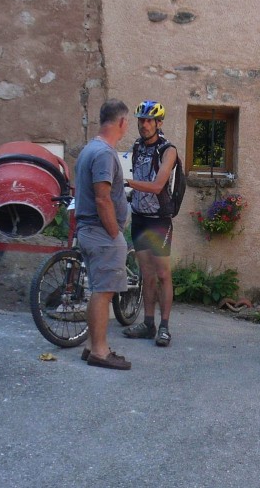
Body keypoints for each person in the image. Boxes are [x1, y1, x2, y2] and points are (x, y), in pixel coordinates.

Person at [74, 99, 132, 370]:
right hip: (101, 233)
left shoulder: (90, 149)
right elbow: (102, 198)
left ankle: (91, 346)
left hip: (88, 230)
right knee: (105, 292)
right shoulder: (105, 154)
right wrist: (114, 233)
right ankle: (100, 351)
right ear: (121, 122)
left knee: (98, 290)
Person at [122, 100, 177, 347]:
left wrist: (125, 182)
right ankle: (148, 323)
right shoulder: (137, 146)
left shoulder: (168, 150)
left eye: (149, 120)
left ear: (159, 123)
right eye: (141, 120)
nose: (144, 125)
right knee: (147, 274)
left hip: (159, 221)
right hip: (140, 217)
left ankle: (164, 327)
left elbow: (157, 186)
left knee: (164, 274)